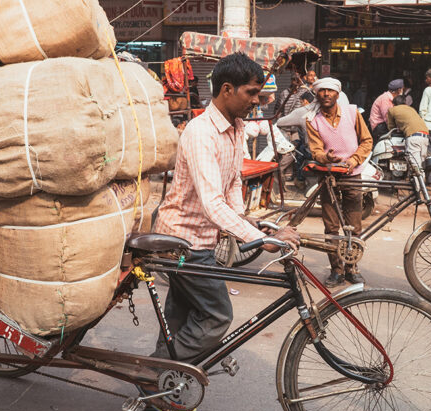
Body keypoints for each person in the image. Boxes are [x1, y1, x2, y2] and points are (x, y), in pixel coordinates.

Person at [153, 52, 300, 365]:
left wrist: (245, 221)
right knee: (218, 316)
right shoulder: (200, 132)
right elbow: (210, 202)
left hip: (199, 239)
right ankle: (157, 372)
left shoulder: (236, 128)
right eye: (251, 93)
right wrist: (257, 238)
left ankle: (164, 382)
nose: (256, 101)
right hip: (182, 242)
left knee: (180, 317)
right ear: (227, 90)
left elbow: (232, 182)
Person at [302, 77, 372, 287]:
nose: (325, 94)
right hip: (328, 176)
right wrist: (326, 157)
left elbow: (367, 141)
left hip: (352, 174)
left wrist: (354, 160)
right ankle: (336, 270)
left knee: (354, 226)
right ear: (316, 94)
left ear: (337, 94)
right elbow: (315, 150)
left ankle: (352, 267)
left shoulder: (352, 112)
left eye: (330, 91)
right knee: (331, 227)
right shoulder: (312, 119)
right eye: (321, 91)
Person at [388, 95, 431, 170]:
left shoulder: (392, 110)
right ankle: (421, 181)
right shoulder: (411, 109)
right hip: (425, 135)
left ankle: (418, 181)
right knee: (421, 164)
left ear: (394, 104)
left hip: (413, 137)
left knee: (415, 165)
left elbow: (391, 127)